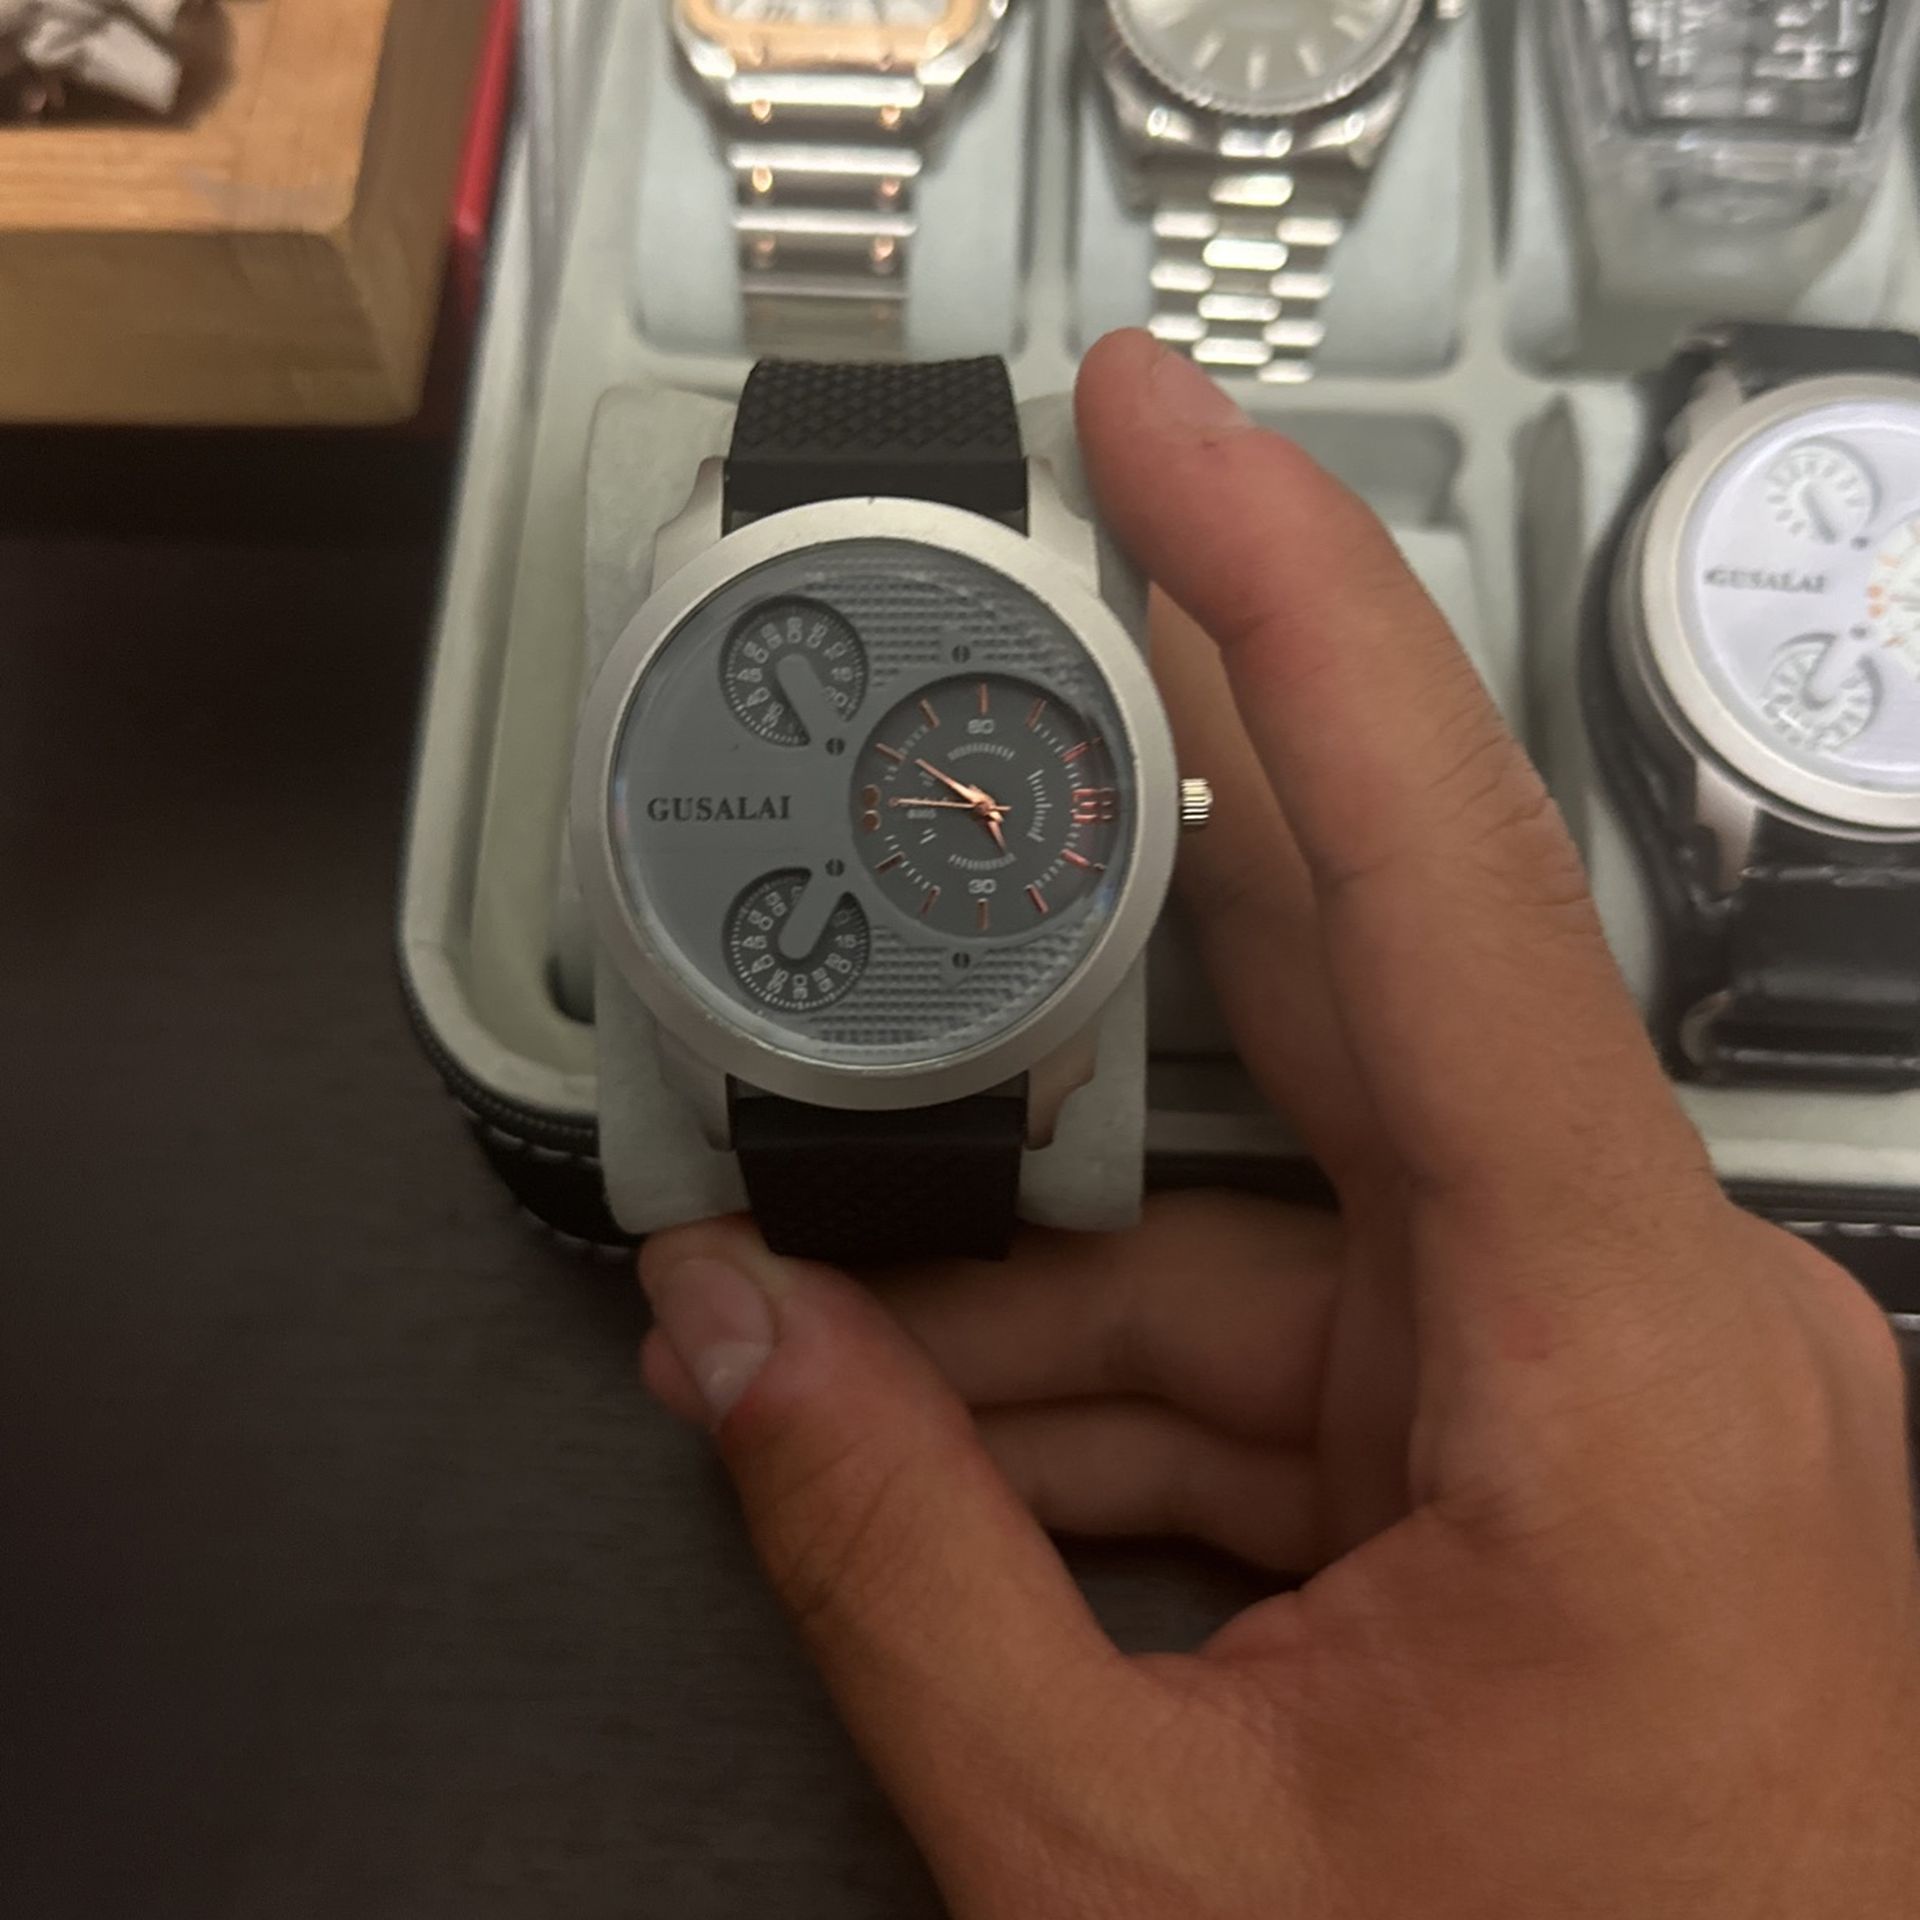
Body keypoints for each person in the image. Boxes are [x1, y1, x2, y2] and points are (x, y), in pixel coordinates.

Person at [636, 330, 1920, 1918]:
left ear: (1159, 808)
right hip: (757, 1018)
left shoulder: (1056, 1008)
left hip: (910, 1016)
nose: (978, 803)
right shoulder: (750, 618)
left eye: (1000, 802)